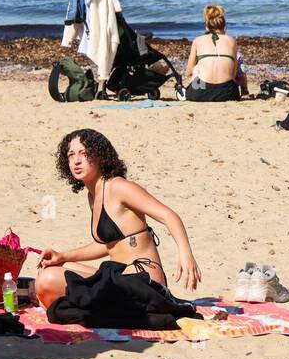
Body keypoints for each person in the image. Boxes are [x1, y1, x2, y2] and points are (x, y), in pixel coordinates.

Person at [35, 129, 202, 308]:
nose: (76, 160)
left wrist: (185, 254)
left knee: (49, 280)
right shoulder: (94, 195)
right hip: (118, 279)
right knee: (51, 270)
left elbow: (168, 216)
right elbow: (110, 244)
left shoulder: (118, 187)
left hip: (143, 285)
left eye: (84, 153)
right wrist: (62, 256)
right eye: (71, 155)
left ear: (100, 156)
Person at [183, 4, 246, 101]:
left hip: (200, 94)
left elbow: (188, 73)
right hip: (228, 93)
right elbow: (233, 75)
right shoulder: (232, 41)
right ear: (224, 27)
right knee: (237, 60)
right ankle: (244, 90)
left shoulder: (198, 40)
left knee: (196, 69)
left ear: (207, 27)